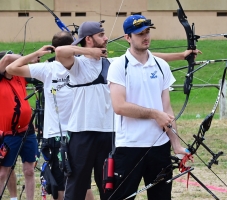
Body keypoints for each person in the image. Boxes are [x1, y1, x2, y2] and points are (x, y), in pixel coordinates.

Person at [55, 20, 199, 200]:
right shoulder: (80, 64)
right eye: (101, 35)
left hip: (108, 131)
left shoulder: (110, 62)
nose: (106, 38)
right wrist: (88, 51)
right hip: (85, 133)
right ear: (89, 39)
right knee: (78, 184)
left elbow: (150, 57)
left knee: (107, 187)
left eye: (147, 32)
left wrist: (182, 55)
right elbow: (60, 51)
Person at [107, 15, 194, 199]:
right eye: (139, 34)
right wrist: (155, 114)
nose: (145, 37)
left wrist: (176, 144)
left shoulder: (161, 66)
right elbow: (119, 106)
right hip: (129, 147)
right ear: (128, 38)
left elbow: (167, 109)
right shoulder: (118, 66)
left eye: (147, 32)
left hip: (159, 147)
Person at [6, 31, 95, 200]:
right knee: (69, 183)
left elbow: (12, 67)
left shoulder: (81, 65)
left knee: (77, 183)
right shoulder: (48, 68)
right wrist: (38, 54)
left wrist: (36, 54)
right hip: (60, 135)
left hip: (75, 133)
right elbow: (10, 69)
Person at [0, 51, 39, 200]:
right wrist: (32, 57)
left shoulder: (20, 77)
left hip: (27, 131)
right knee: (4, 172)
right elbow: (8, 58)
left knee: (29, 170)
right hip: (8, 134)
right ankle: (13, 198)